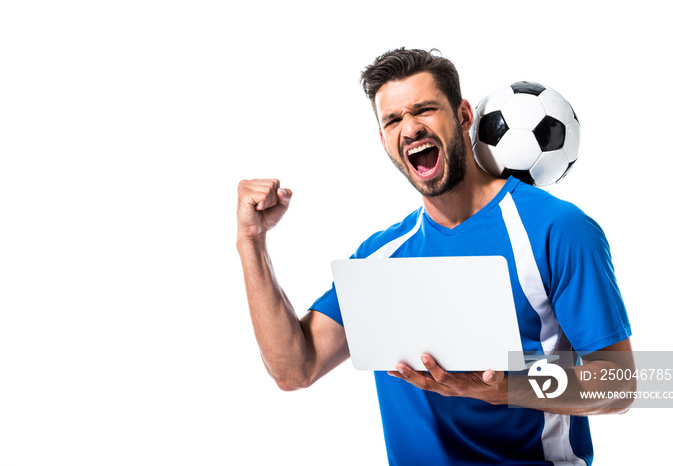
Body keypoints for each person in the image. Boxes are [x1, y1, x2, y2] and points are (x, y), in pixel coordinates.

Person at [237, 48, 634, 465]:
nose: (410, 128)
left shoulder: (557, 229)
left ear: (464, 116)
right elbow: (295, 368)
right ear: (384, 140)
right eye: (393, 120)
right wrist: (251, 241)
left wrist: (503, 388)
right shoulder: (379, 259)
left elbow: (619, 384)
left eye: (424, 109)